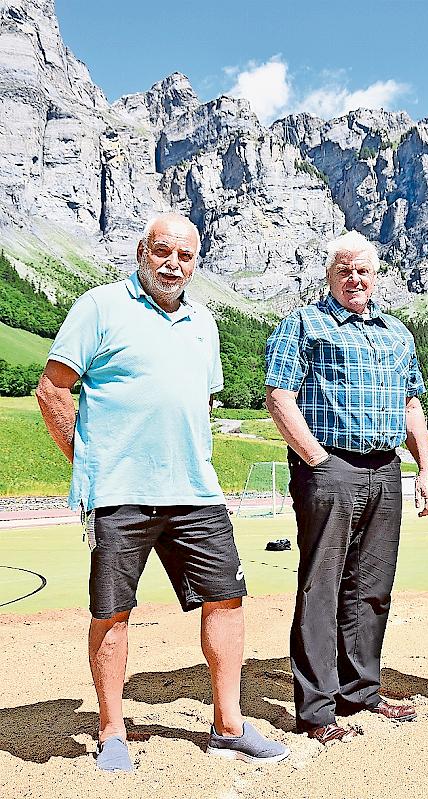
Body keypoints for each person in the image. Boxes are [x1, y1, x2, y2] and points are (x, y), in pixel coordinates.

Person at [36, 213, 289, 771]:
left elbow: (198, 402)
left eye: (187, 255)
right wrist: (89, 465)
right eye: (163, 252)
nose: (174, 264)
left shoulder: (204, 321)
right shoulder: (99, 306)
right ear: (141, 252)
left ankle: (229, 726)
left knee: (227, 599)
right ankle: (112, 733)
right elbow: (52, 391)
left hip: (196, 491)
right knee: (113, 611)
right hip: (121, 492)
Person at [265, 231, 428, 744]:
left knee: (373, 585)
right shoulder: (302, 323)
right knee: (322, 586)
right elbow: (279, 396)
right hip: (330, 466)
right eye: (345, 270)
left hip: (386, 469)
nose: (355, 279)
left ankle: (360, 690)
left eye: (363, 270)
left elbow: (411, 405)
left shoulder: (398, 333)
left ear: (376, 275)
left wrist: (425, 468)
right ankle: (316, 710)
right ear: (329, 275)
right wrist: (317, 460)